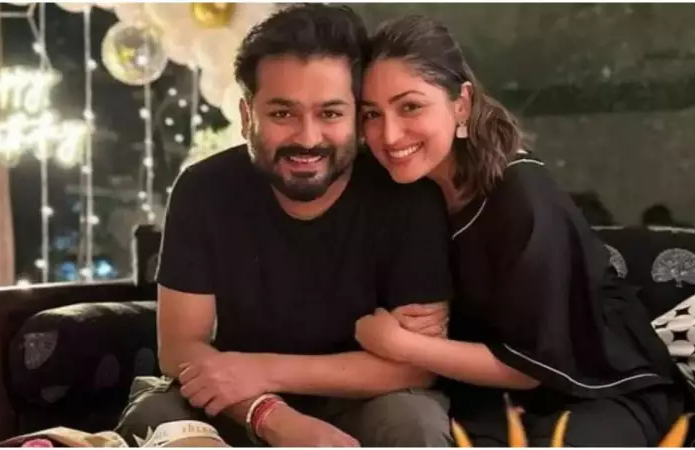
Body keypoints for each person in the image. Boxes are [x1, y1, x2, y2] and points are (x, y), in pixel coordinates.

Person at [115, 5, 453, 447]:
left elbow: (417, 367)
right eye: (282, 114)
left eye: (330, 114)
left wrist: (263, 370)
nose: (308, 138)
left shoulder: (407, 195)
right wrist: (269, 415)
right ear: (246, 116)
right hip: (239, 400)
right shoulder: (203, 190)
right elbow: (180, 349)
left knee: (412, 420)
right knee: (157, 415)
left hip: (359, 398)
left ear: (357, 116)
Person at [354, 15, 685, 447]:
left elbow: (531, 365)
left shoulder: (519, 192)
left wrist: (397, 343)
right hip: (490, 399)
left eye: (410, 106)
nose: (389, 134)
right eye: (371, 114)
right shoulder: (406, 189)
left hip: (595, 389)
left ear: (461, 104)